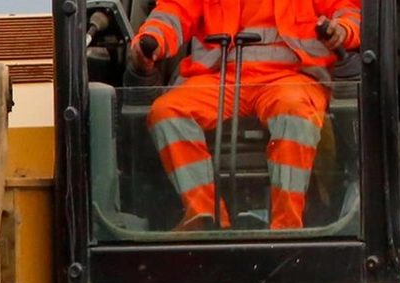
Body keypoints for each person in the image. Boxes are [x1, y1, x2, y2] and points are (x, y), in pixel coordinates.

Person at [130, 0, 360, 230]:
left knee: (295, 113)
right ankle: (205, 217)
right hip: (220, 78)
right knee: (167, 112)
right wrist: (153, 38)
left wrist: (343, 29)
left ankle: (287, 228)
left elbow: (350, 10)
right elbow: (175, 11)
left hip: (292, 76)